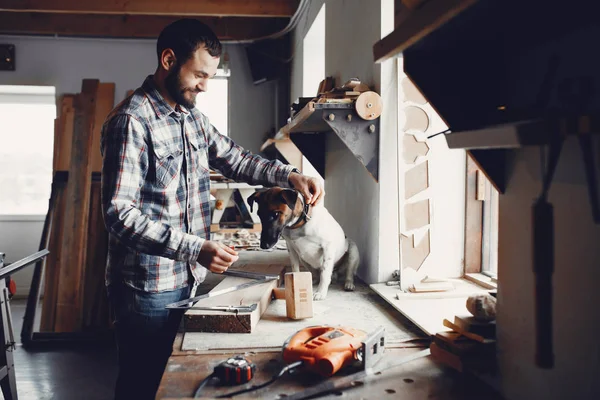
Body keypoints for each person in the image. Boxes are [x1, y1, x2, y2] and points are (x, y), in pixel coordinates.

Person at [100, 18, 323, 400]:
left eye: (211, 76)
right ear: (168, 60)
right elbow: (119, 215)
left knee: (173, 383)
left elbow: (236, 159)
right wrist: (195, 247)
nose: (204, 85)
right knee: (143, 384)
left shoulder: (193, 119)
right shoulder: (131, 122)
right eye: (199, 75)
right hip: (147, 289)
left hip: (187, 278)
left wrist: (290, 176)